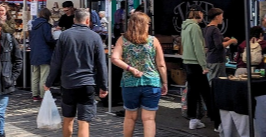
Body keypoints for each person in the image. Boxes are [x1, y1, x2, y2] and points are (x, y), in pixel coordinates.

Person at [45, 8, 108, 137]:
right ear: (88, 20)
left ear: (74, 20)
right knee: (84, 122)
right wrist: (103, 86)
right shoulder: (95, 37)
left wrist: (49, 82)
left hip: (68, 83)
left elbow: (56, 61)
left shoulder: (65, 35)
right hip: (87, 83)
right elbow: (101, 64)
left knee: (68, 119)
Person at [111, 12, 167, 137]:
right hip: (151, 82)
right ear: (143, 25)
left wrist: (130, 69)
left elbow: (115, 58)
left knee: (130, 117)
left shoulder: (123, 40)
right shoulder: (153, 41)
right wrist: (165, 82)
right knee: (148, 119)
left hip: (130, 83)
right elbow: (161, 64)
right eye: (148, 23)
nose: (149, 26)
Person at [181, 5, 214, 130]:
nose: (203, 16)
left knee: (193, 91)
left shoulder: (185, 26)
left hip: (187, 61)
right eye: (202, 13)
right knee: (205, 91)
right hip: (196, 63)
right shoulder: (195, 27)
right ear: (198, 13)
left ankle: (193, 118)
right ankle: (214, 118)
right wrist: (204, 65)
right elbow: (198, 48)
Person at [203, 8, 237, 81]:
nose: (222, 18)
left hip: (210, 59)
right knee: (218, 82)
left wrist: (223, 39)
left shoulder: (207, 28)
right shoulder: (215, 29)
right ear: (217, 16)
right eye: (221, 16)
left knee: (213, 80)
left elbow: (211, 42)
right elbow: (219, 46)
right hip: (217, 60)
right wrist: (231, 41)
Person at [30, 8, 56, 102]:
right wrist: (55, 42)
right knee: (44, 75)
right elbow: (48, 39)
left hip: (34, 53)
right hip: (44, 53)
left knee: (35, 75)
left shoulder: (33, 25)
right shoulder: (46, 26)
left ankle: (35, 94)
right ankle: (43, 95)